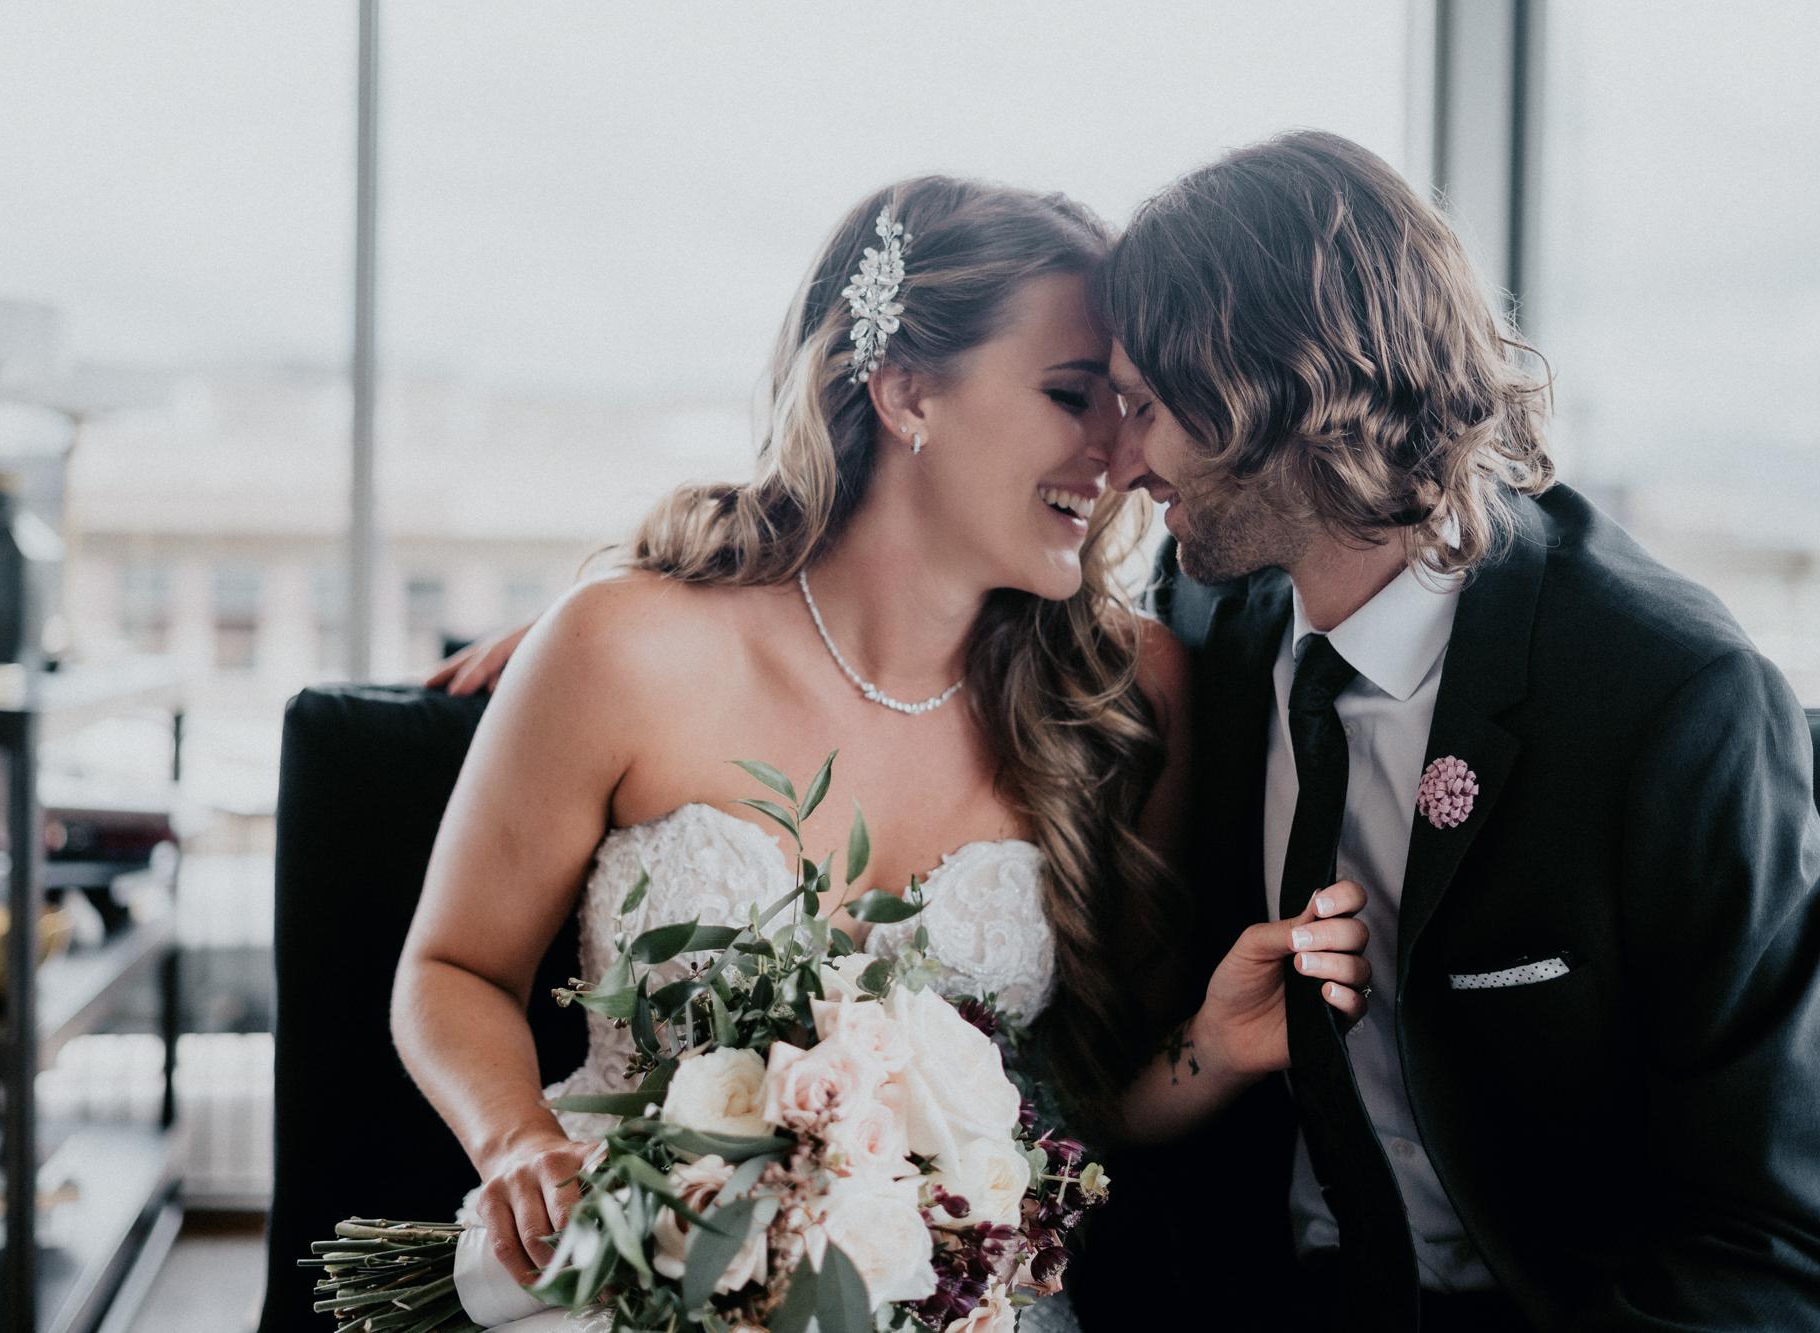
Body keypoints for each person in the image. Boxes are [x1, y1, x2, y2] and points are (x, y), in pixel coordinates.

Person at [396, 175, 1373, 1330]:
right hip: (629, 1271)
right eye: (1071, 395)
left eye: (1125, 403)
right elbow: (453, 967)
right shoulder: (624, 647)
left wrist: (1212, 1046)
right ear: (907, 390)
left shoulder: (1128, 692)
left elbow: (1084, 1112)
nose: (1120, 453)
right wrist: (517, 1143)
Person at [1075, 130, 1820, 1332]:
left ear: (1274, 389)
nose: (1119, 461)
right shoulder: (1203, 617)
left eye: (1146, 406)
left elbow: (1769, 1235)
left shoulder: (1672, 700)